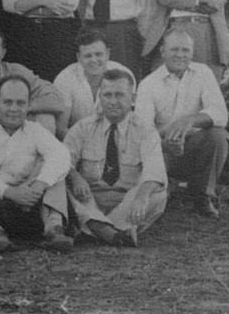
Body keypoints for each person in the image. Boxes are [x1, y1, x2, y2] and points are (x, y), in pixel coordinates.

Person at [0, 75, 74, 253]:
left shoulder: (35, 130)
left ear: (29, 104)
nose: (14, 109)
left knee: (55, 171)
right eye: (8, 102)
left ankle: (54, 230)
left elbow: (62, 155)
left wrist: (39, 185)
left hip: (30, 206)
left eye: (20, 103)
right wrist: (10, 192)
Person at [63, 67, 165, 246]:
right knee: (60, 186)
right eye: (107, 95)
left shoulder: (145, 130)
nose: (112, 102)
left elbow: (154, 171)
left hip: (127, 201)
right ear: (99, 97)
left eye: (119, 95)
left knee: (158, 193)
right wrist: (76, 177)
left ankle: (95, 228)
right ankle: (113, 233)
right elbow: (62, 160)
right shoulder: (83, 127)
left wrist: (141, 197)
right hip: (91, 200)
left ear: (132, 99)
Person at [135, 27, 229, 217]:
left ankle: (202, 196)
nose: (180, 55)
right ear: (163, 52)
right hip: (161, 150)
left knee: (218, 136)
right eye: (174, 50)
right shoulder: (148, 84)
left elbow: (220, 114)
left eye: (185, 50)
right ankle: (165, 188)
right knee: (148, 153)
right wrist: (166, 141)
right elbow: (142, 131)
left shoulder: (203, 73)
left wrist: (190, 120)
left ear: (192, 52)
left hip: (195, 146)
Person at [50, 28, 132, 135]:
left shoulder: (124, 75)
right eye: (88, 56)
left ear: (107, 54)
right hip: (77, 140)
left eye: (98, 54)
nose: (93, 60)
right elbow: (61, 128)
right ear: (78, 57)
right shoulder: (64, 79)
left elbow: (129, 122)